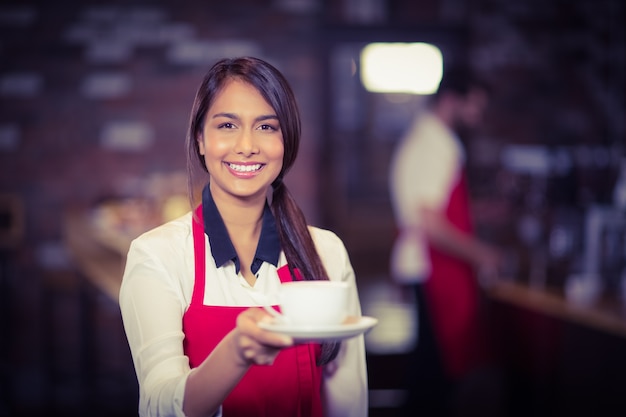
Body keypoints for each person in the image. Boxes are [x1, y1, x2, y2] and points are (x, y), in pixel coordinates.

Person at [119, 56, 368, 417]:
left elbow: (348, 403)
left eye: (267, 127)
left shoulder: (326, 252)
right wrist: (236, 351)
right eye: (227, 125)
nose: (247, 145)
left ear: (287, 142)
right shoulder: (157, 256)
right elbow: (160, 404)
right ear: (201, 139)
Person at [388, 67, 502, 417]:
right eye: (474, 106)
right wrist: (483, 253)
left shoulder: (425, 138)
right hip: (433, 267)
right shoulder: (436, 144)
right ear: (452, 99)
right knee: (432, 380)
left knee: (431, 373)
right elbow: (430, 222)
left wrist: (476, 211)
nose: (477, 116)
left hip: (426, 266)